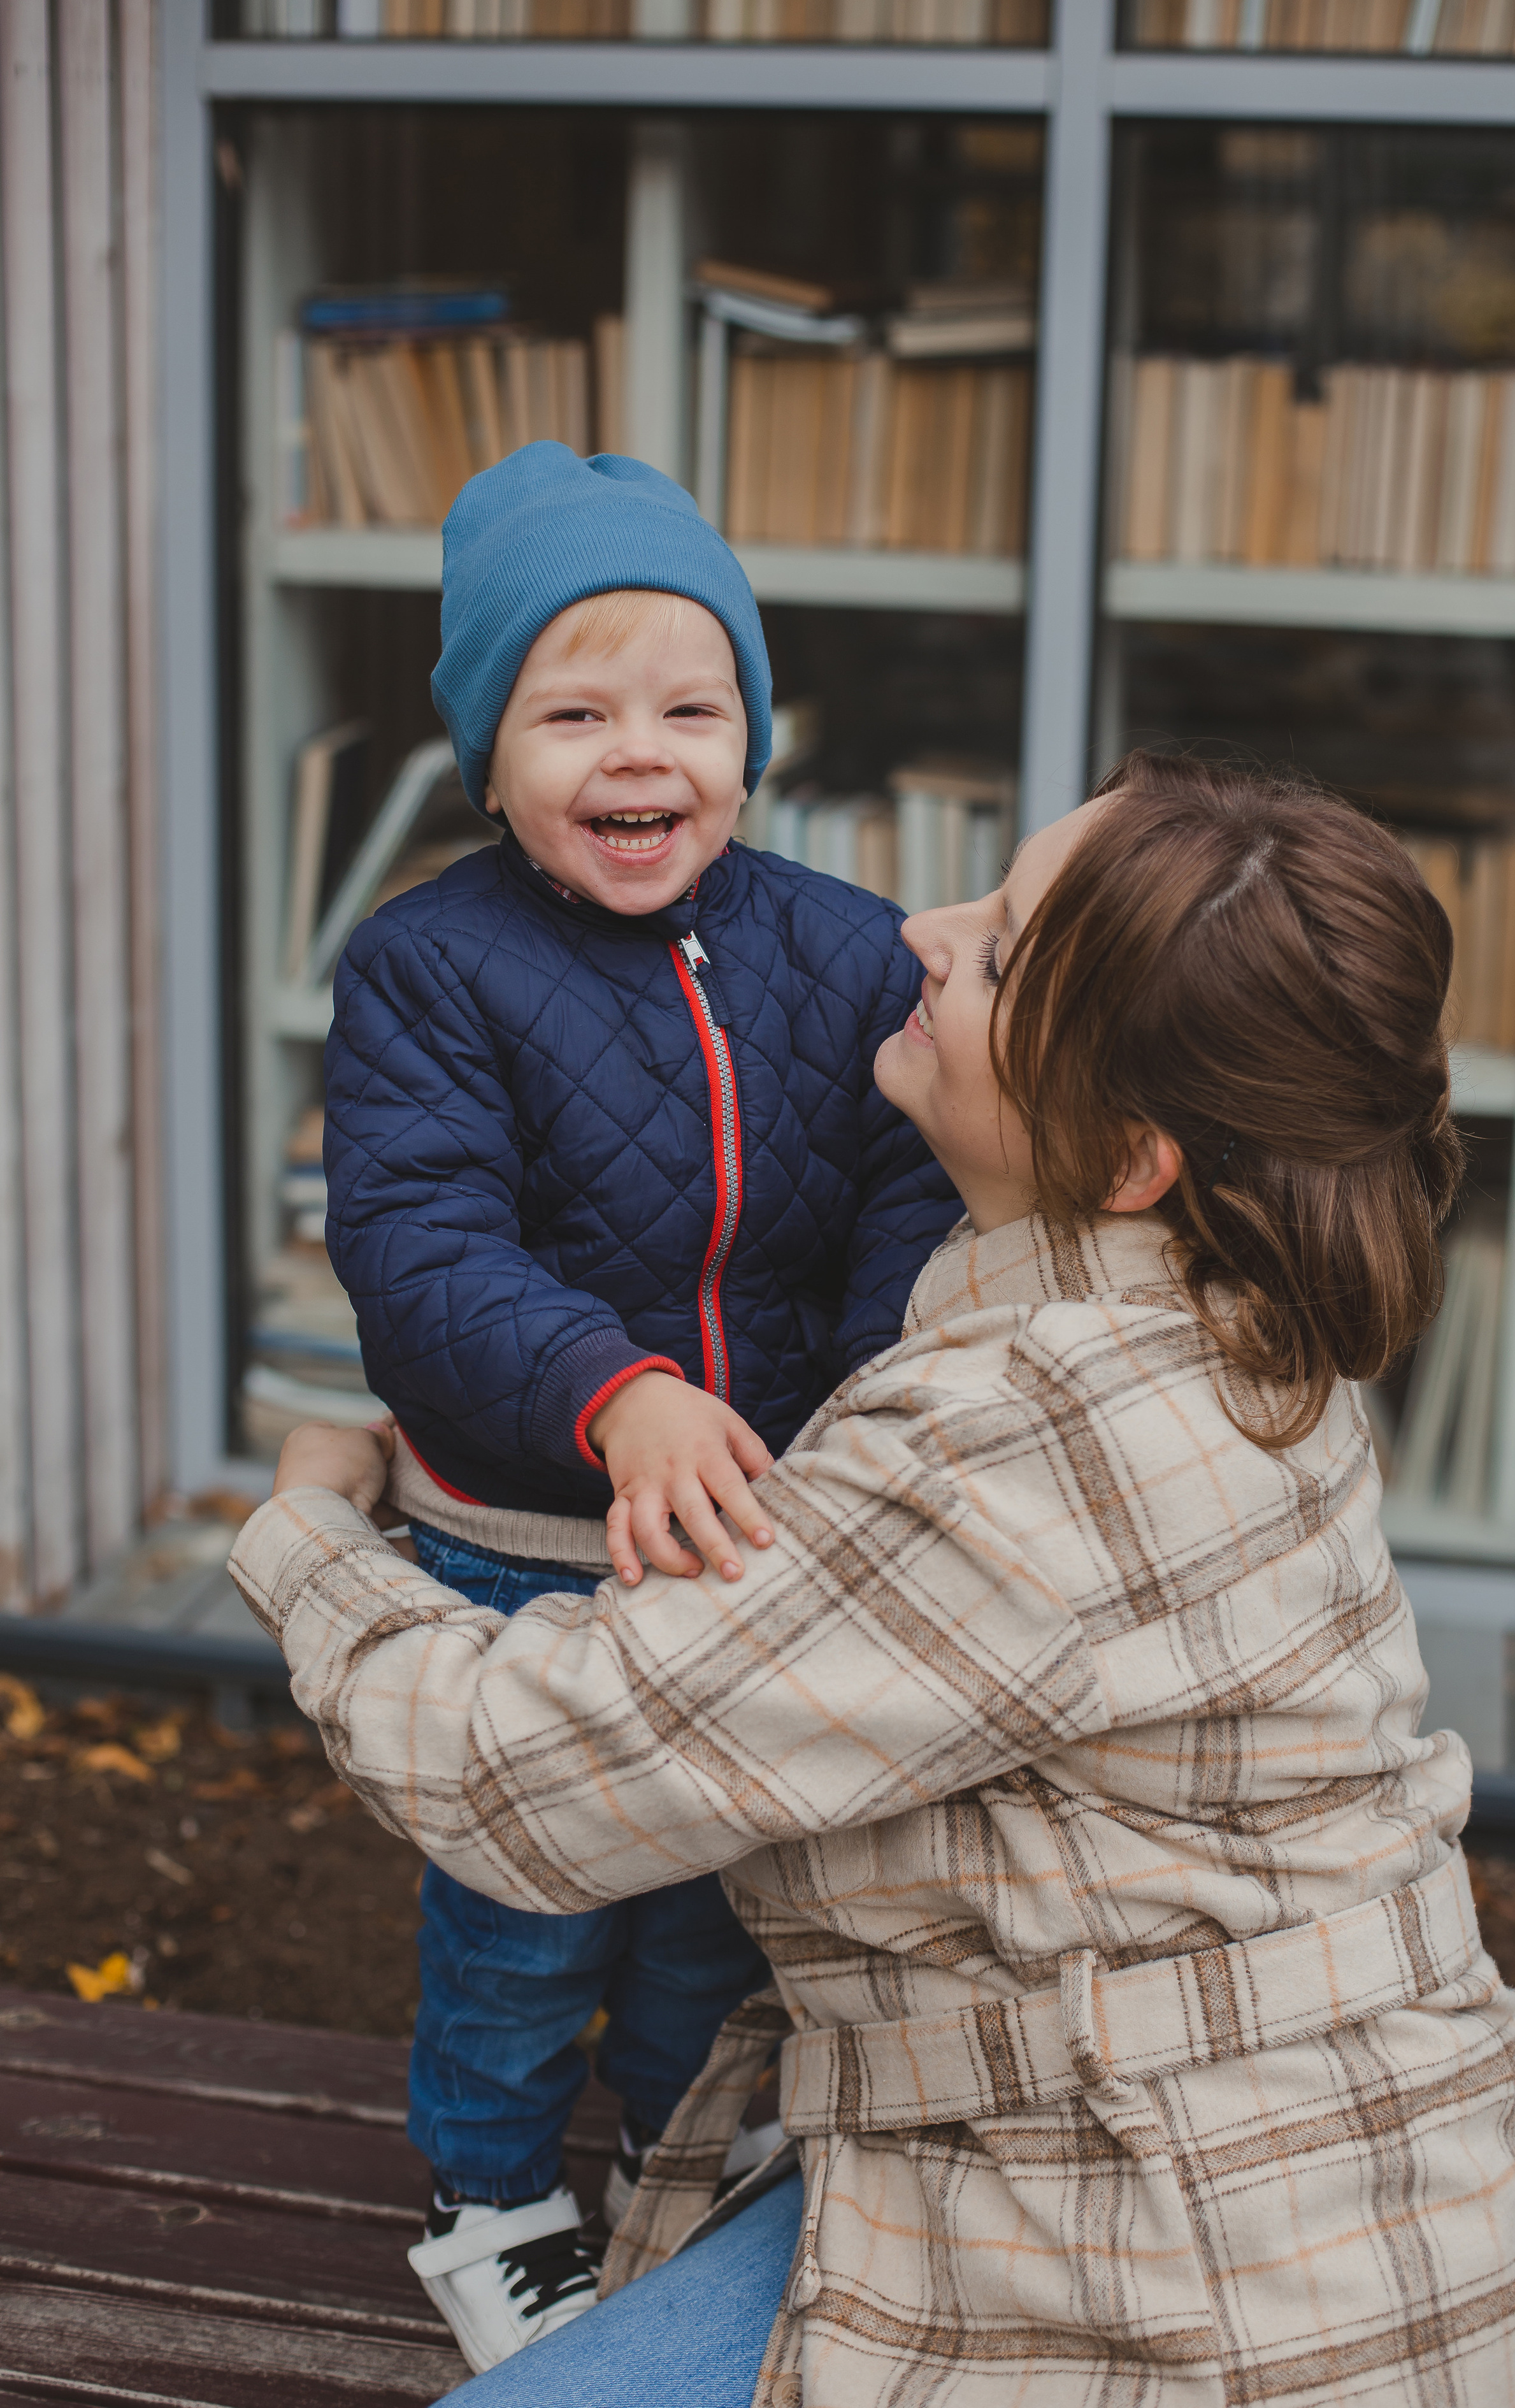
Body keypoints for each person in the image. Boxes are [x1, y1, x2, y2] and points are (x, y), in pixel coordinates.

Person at [238, 754, 1515, 2408]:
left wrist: (308, 1533)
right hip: (1328, 2194)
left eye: (1002, 948)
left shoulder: (1020, 1447)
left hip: (1202, 2302)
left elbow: (520, 1777)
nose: (924, 934)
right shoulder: (1233, 1319)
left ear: (1135, 1150)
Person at [320, 440, 959, 2366]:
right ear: (487, 753)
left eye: (694, 707)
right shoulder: (429, 969)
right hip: (528, 1542)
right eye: (573, 710)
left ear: (752, 735)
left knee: (717, 1904)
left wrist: (864, 1405)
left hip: (755, 1542)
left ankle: (684, 2169)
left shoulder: (841, 952)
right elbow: (423, 1248)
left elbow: (915, 1195)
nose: (641, 755)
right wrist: (619, 1396)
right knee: (525, 1918)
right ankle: (491, 2188)